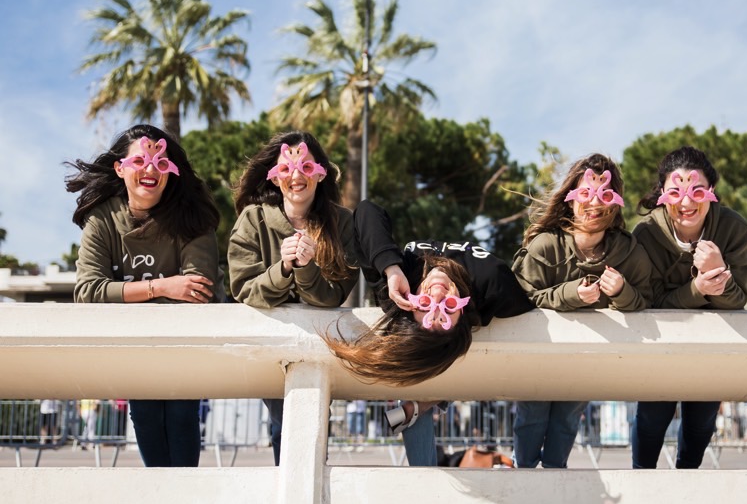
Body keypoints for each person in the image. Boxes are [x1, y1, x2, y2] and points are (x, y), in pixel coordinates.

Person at [321, 199, 534, 466]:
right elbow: (532, 303)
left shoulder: (398, 293)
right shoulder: (492, 282)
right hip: (451, 357)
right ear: (464, 315)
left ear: (411, 309)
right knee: (430, 368)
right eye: (449, 308)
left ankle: (422, 404)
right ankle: (424, 404)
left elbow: (366, 212)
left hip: (443, 359)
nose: (437, 294)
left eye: (425, 306)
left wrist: (390, 268)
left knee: (418, 375)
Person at [66, 124, 223, 467]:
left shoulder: (192, 218)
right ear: (120, 169)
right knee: (146, 420)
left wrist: (121, 294)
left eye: (161, 162)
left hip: (185, 348)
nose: (150, 169)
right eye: (140, 160)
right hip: (137, 349)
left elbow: (198, 290)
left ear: (172, 171)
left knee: (182, 419)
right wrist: (163, 286)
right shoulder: (102, 219)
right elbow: (88, 292)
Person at [512, 154, 653, 468]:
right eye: (585, 194)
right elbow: (521, 298)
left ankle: (555, 478)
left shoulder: (629, 253)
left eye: (604, 195)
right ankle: (521, 476)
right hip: (538, 358)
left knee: (567, 420)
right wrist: (571, 294)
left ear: (615, 202)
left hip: (584, 360)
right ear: (570, 200)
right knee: (531, 417)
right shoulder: (545, 246)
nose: (594, 203)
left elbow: (646, 301)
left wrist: (621, 292)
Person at [227, 131, 357, 466]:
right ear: (274, 176)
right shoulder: (252, 219)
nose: (296, 176)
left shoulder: (342, 223)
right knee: (281, 427)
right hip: (272, 345)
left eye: (305, 167)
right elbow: (243, 289)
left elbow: (336, 294)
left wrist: (307, 267)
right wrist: (283, 267)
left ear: (320, 172)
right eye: (286, 168)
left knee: (314, 432)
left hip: (321, 345)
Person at [630, 146, 747, 469]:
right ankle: (642, 481)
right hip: (660, 346)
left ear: (711, 192)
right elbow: (648, 301)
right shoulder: (645, 235)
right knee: (651, 420)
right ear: (662, 195)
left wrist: (719, 274)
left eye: (696, 190)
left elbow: (738, 300)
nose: (686, 203)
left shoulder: (735, 229)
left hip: (710, 349)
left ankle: (688, 480)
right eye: (675, 192)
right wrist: (698, 288)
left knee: (701, 425)